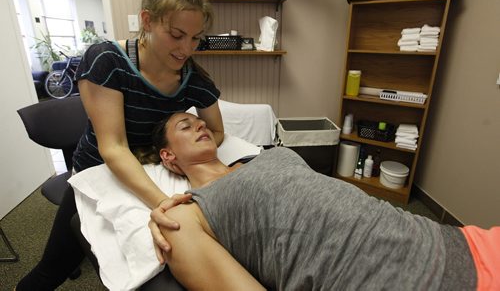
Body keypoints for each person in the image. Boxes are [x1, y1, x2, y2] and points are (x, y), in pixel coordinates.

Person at [17, 0, 224, 290]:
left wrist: (189, 155)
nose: (186, 49)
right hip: (98, 171)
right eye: (176, 35)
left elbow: (217, 130)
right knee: (53, 269)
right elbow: (113, 147)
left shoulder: (193, 77)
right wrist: (162, 202)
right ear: (147, 20)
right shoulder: (107, 61)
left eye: (196, 38)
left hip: (156, 171)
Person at [151, 112, 499, 290]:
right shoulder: (185, 216)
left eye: (200, 121)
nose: (200, 125)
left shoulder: (261, 156)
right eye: (186, 125)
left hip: (457, 243)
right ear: (167, 156)